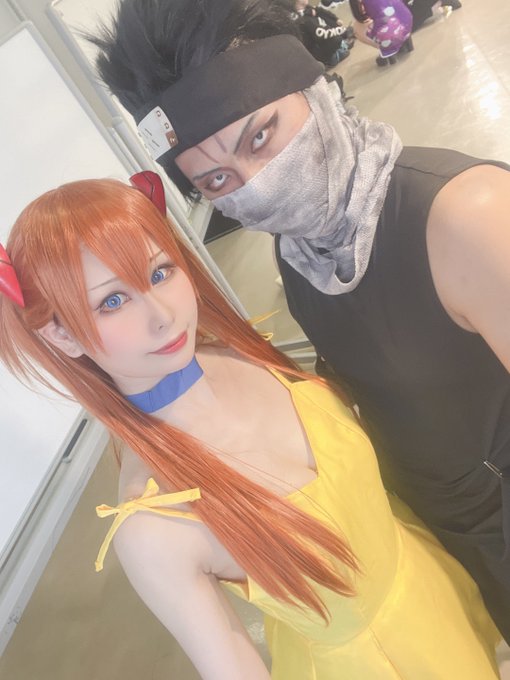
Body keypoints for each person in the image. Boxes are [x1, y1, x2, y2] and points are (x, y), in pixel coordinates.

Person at [91, 0, 510, 641]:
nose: (256, 187)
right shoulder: (302, 251)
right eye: (218, 180)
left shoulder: (465, 216)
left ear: (316, 89)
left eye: (260, 136)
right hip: (436, 535)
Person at [0, 176, 501, 679]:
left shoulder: (241, 353)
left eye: (160, 271)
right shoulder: (155, 524)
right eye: (112, 301)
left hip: (440, 585)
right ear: (61, 335)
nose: (163, 315)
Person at [348, 0, 413, 66]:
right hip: (407, 22)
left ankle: (387, 49)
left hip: (390, 31)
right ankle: (403, 41)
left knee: (356, 29)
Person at [293, 0, 354, 68]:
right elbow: (322, 34)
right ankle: (332, 57)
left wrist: (336, 19)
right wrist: (342, 30)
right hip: (316, 51)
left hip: (319, 41)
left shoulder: (307, 9)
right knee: (336, 39)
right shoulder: (301, 19)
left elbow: (321, 11)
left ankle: (341, 45)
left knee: (322, 14)